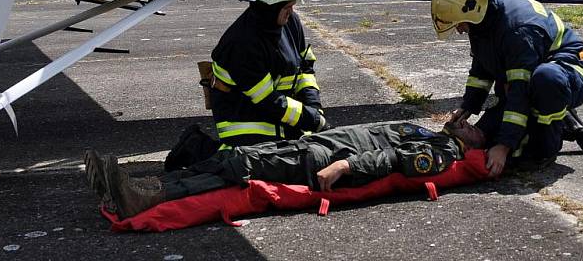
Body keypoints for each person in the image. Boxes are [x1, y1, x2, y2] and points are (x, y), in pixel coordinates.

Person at [85, 118, 485, 219]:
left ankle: (144, 195)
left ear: (473, 143)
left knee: (236, 163)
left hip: (320, 161)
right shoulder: (430, 132)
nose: (463, 120)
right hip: (316, 147)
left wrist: (346, 165)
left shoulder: (443, 149)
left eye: (472, 126)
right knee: (229, 161)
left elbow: (396, 162)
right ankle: (139, 186)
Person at [430, 0, 583, 178]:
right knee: (489, 134)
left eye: (459, 24)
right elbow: (482, 68)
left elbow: (520, 90)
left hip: (570, 72)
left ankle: (547, 148)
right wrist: (469, 106)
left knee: (543, 86)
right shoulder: (483, 20)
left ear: (471, 11)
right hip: (533, 78)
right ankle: (563, 119)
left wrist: (504, 146)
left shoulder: (518, 30)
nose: (459, 31)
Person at [165, 0, 326, 170]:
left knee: (298, 157)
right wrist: (308, 119)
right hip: (245, 118)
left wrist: (313, 105)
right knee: (257, 167)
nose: (291, 12)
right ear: (270, 5)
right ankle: (195, 147)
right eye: (287, 7)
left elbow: (305, 67)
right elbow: (267, 99)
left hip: (277, 114)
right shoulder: (242, 42)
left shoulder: (289, 23)